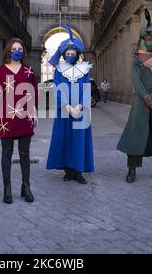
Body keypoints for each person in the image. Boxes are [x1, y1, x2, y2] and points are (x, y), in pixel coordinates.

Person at [117, 9, 152, 183]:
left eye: (151, 39)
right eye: (146, 39)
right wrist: (145, 97)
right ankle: (132, 168)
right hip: (141, 103)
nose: (148, 42)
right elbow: (135, 79)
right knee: (136, 135)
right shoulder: (137, 59)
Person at [0, 38, 38, 204]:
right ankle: (7, 188)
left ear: (23, 52)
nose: (17, 51)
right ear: (8, 51)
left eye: (20, 49)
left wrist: (35, 113)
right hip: (5, 119)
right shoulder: (0, 71)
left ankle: (26, 187)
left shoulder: (29, 71)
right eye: (14, 48)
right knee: (6, 153)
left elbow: (34, 94)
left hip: (25, 118)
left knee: (25, 154)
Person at [46, 25, 94, 184]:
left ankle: (78, 171)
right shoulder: (59, 70)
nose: (70, 55)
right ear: (64, 54)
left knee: (79, 140)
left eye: (73, 53)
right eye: (68, 53)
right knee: (65, 139)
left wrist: (80, 106)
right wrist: (67, 106)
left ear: (78, 54)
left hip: (80, 111)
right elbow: (58, 88)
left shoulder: (84, 70)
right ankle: (67, 170)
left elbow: (87, 89)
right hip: (64, 111)